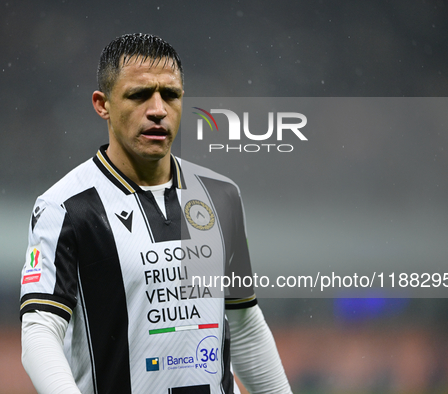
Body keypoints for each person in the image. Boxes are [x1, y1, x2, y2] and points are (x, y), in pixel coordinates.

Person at [20, 33, 292, 394]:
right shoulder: (67, 208)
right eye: (139, 95)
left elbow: (243, 324)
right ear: (102, 104)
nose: (158, 109)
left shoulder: (221, 196)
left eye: (171, 94)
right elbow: (40, 331)